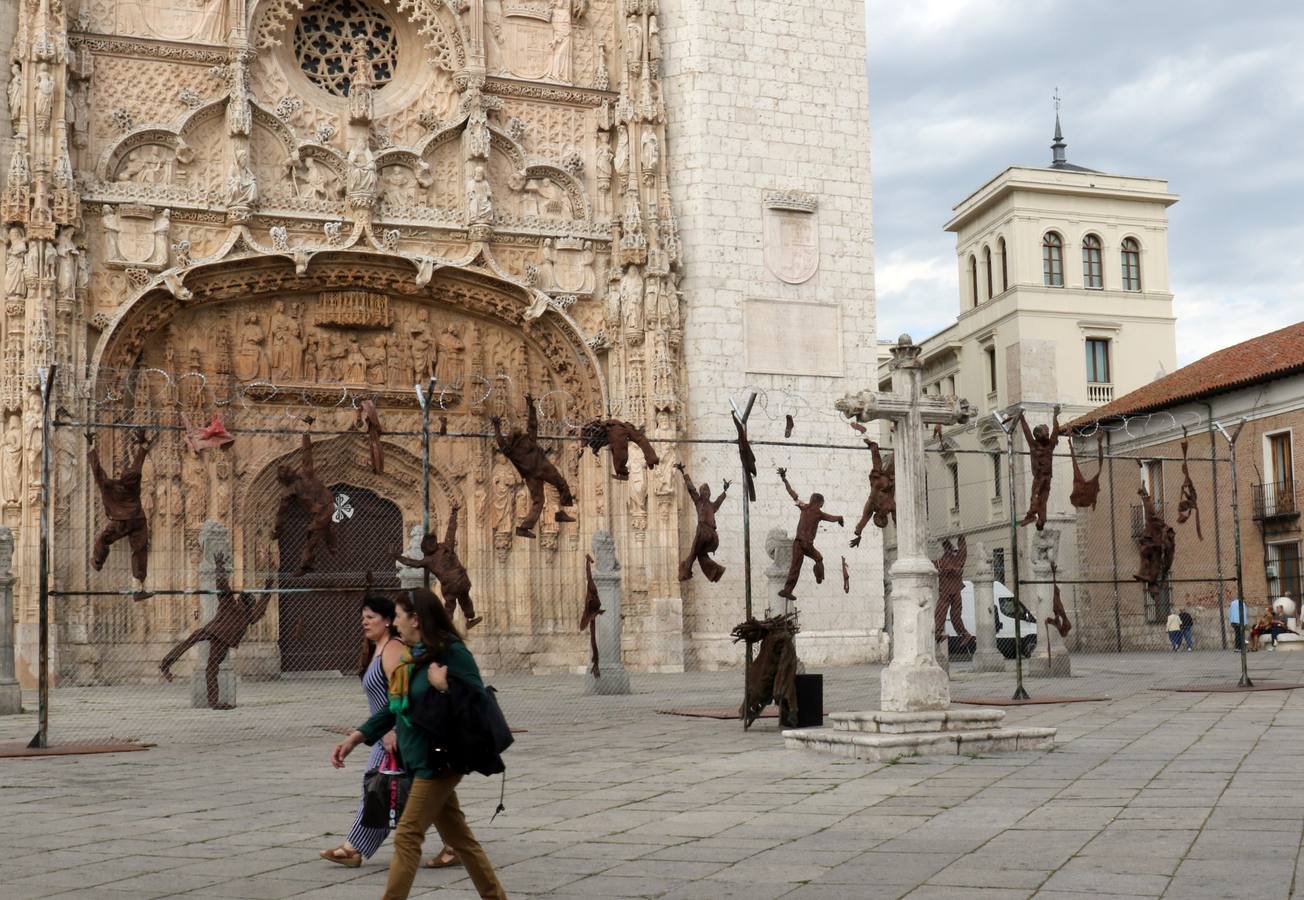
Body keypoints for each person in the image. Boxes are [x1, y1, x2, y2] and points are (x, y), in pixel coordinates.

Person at [331, 589, 506, 900]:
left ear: (416, 618)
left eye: (398, 617)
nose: (396, 625)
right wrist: (357, 737)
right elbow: (396, 707)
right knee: (461, 840)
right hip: (418, 758)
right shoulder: (416, 654)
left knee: (408, 836)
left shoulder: (451, 652)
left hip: (438, 761)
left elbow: (478, 700)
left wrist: (445, 685)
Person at [320, 595, 407, 867]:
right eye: (363, 618)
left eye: (371, 618)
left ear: (389, 621)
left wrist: (392, 729)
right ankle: (454, 841)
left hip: (391, 733)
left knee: (377, 790)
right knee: (414, 794)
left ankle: (352, 848)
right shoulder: (378, 648)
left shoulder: (392, 649)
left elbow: (400, 691)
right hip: (381, 733)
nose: (365, 623)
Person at [159, 554, 271, 709]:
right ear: (250, 604)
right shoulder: (249, 615)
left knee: (188, 643)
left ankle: (166, 664)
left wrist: (220, 566)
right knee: (212, 668)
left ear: (240, 600)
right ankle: (213, 701)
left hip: (211, 630)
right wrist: (268, 589)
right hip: (222, 640)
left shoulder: (231, 603)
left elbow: (222, 585)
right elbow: (261, 606)